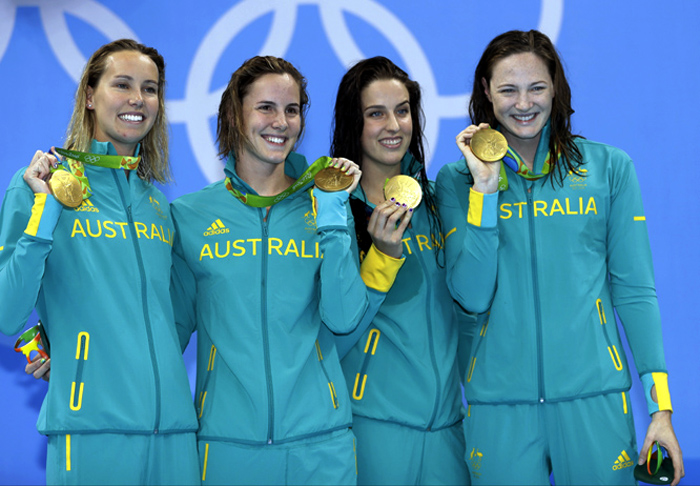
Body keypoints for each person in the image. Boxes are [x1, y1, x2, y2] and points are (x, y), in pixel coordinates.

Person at [436, 29, 684, 485]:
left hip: (596, 400)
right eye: (508, 89)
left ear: (557, 89)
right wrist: (485, 191)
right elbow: (469, 294)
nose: (523, 103)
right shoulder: (455, 182)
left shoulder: (609, 168)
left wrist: (660, 409)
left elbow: (635, 292)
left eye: (537, 87)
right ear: (486, 94)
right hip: (498, 407)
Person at [169, 55, 394, 485]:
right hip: (227, 448)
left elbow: (345, 318)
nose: (281, 122)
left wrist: (330, 212)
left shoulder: (326, 207)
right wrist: (71, 352)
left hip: (321, 446)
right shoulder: (191, 215)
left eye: (292, 110)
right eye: (266, 108)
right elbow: (164, 332)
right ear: (235, 114)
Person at [0, 39, 200, 484]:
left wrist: (65, 344)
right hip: (91, 429)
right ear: (89, 96)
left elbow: (160, 321)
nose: (137, 100)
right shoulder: (40, 184)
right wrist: (45, 209)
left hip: (173, 432)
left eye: (150, 89)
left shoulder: (156, 204)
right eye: (122, 84)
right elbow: (7, 312)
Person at [330, 56, 497, 485]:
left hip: (446, 431)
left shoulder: (440, 203)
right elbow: (336, 336)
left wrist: (485, 191)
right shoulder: (334, 215)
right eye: (376, 113)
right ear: (354, 122)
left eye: (402, 111)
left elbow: (475, 296)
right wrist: (381, 258)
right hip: (372, 430)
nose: (393, 125)